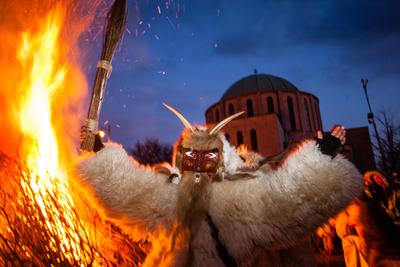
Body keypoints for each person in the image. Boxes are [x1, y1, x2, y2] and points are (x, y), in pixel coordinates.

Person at [75, 104, 363, 267]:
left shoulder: (241, 196)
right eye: (192, 155)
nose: (199, 162)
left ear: (221, 158)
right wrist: (98, 151)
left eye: (208, 155)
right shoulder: (170, 193)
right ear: (182, 157)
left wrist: (321, 157)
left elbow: (287, 201)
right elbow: (129, 189)